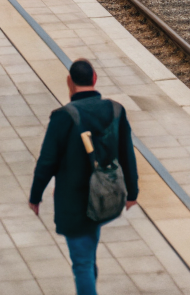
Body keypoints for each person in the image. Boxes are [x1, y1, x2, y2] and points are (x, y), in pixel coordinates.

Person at [29, 58, 139, 295]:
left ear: (69, 82)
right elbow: (127, 154)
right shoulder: (115, 110)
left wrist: (35, 196)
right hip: (104, 196)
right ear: (95, 79)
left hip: (74, 202)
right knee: (88, 255)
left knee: (82, 264)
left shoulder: (63, 117)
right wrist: (132, 192)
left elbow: (46, 161)